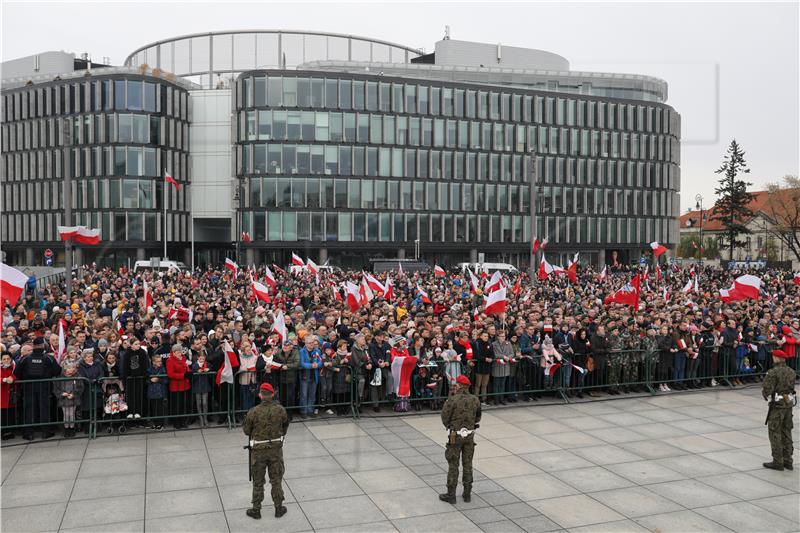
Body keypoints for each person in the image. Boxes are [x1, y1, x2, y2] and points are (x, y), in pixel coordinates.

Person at [243, 382, 289, 520]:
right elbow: (285, 427)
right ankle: (279, 508)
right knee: (276, 480)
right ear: (272, 394)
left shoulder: (253, 411)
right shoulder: (280, 410)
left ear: (260, 395)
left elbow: (246, 431)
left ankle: (256, 509)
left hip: (258, 451)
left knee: (258, 481)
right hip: (275, 450)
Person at [439, 374, 481, 505]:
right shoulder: (475, 399)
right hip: (469, 435)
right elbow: (478, 418)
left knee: (453, 464)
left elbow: (444, 418)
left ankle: (451, 495)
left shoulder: (452, 400)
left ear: (459, 385)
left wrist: (451, 426)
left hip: (455, 436)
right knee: (467, 463)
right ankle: (467, 494)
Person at [761, 349, 796, 471]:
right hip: (788, 403)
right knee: (786, 432)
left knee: (774, 432)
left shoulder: (772, 372)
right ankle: (788, 460)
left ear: (776, 358)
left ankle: (778, 461)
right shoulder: (791, 371)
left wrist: (766, 395)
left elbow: (766, 391)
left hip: (777, 406)